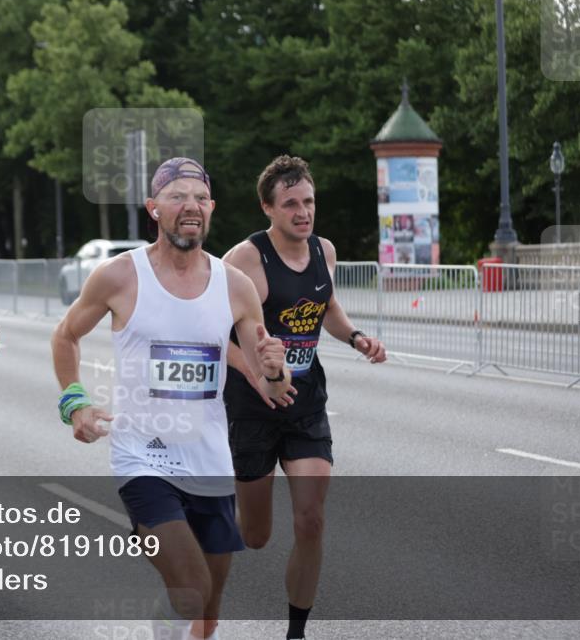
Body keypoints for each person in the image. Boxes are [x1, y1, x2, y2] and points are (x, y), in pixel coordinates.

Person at [51, 157, 292, 640]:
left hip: (209, 459)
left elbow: (272, 386)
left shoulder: (235, 286)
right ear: (153, 208)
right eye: (178, 196)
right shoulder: (119, 276)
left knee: (208, 604)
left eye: (200, 198)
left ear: (212, 209)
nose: (191, 206)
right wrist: (74, 403)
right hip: (144, 458)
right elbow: (65, 336)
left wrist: (273, 369)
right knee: (190, 585)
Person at [222, 155, 387, 640]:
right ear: (267, 209)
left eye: (309, 201)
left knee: (311, 519)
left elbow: (326, 305)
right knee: (255, 537)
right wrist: (257, 374)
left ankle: (297, 632)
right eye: (290, 203)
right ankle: (201, 517)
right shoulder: (245, 261)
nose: (303, 212)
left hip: (307, 399)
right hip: (253, 405)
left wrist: (356, 337)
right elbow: (214, 334)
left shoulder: (324, 251)